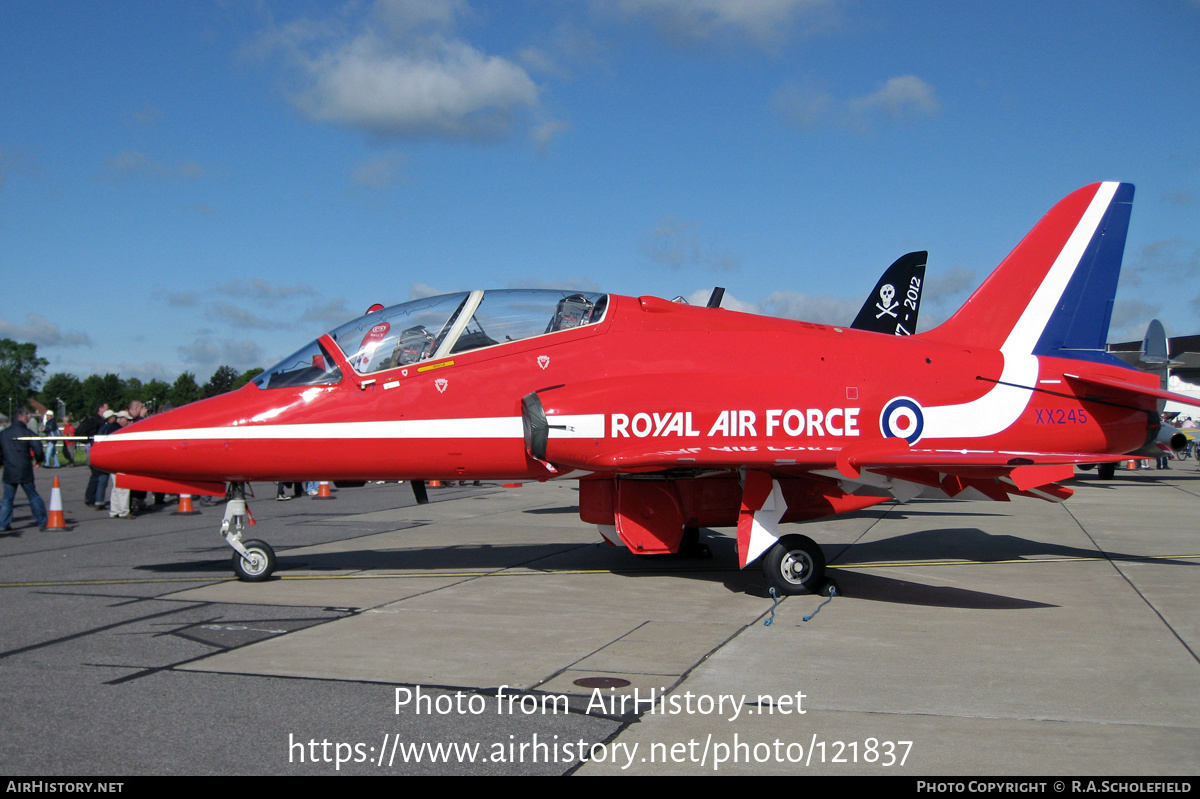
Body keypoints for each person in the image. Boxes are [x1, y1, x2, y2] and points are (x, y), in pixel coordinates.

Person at [1, 409, 49, 532]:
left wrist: (3, 461)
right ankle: (42, 521)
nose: (28, 419)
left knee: (7, 499)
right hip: (24, 468)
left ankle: (3, 524)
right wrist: (39, 459)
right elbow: (37, 447)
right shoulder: (27, 432)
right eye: (27, 417)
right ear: (22, 417)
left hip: (9, 469)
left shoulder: (3, 434)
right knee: (33, 496)